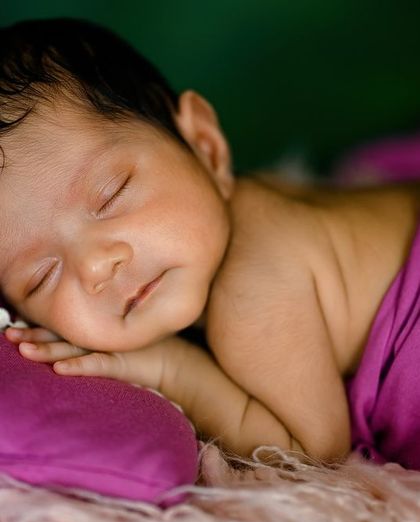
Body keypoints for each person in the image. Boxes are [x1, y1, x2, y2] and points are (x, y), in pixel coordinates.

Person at [1, 18, 419, 466]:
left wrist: (174, 370)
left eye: (112, 194)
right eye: (41, 277)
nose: (98, 265)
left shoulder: (250, 290)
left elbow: (313, 453)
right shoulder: (254, 206)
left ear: (205, 145)